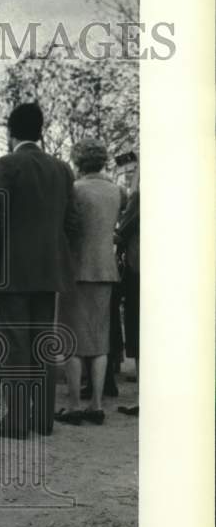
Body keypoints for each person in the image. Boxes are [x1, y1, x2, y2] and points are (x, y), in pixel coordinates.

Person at [0, 102, 79, 439]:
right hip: (49, 271)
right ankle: (42, 420)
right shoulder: (62, 170)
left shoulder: (7, 165)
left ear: (11, 132)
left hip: (13, 272)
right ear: (41, 129)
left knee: (15, 346)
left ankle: (17, 422)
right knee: (41, 345)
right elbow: (73, 223)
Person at [56, 138, 126, 425]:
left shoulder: (74, 190)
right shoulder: (117, 191)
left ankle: (73, 404)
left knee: (72, 339)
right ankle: (96, 404)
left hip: (76, 269)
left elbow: (68, 226)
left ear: (78, 161)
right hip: (105, 270)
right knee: (99, 340)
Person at [116, 166, 140, 417]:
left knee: (137, 332)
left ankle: (142, 398)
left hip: (139, 270)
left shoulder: (139, 198)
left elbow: (121, 233)